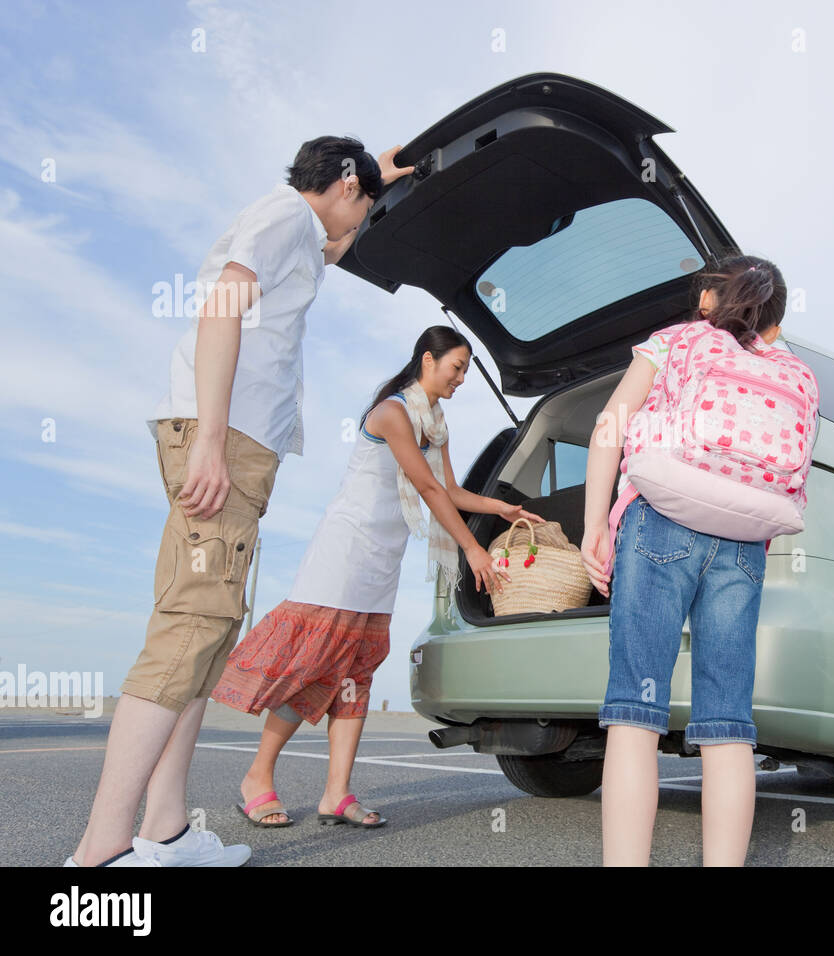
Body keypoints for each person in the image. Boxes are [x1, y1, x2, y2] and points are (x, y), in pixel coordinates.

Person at [65, 136, 415, 867]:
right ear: (343, 181)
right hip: (224, 435)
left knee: (210, 636)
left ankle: (164, 830)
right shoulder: (286, 215)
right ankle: (101, 852)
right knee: (190, 629)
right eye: (364, 196)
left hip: (241, 442)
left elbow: (337, 245)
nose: (356, 222)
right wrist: (212, 441)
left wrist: (379, 175)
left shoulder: (304, 234)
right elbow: (224, 305)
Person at [209, 327, 542, 828]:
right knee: (312, 665)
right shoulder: (391, 413)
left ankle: (337, 794)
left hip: (382, 558)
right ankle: (257, 777)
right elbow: (427, 486)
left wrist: (504, 508)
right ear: (428, 361)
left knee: (354, 676)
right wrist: (472, 548)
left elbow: (450, 489)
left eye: (466, 371)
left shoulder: (436, 421)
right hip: (342, 553)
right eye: (456, 368)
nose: (461, 379)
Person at [581, 254, 806, 866]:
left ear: (710, 301)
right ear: (774, 323)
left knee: (635, 713)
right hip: (742, 542)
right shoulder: (791, 368)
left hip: (661, 519)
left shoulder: (676, 339)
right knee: (729, 724)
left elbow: (611, 427)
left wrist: (594, 525)